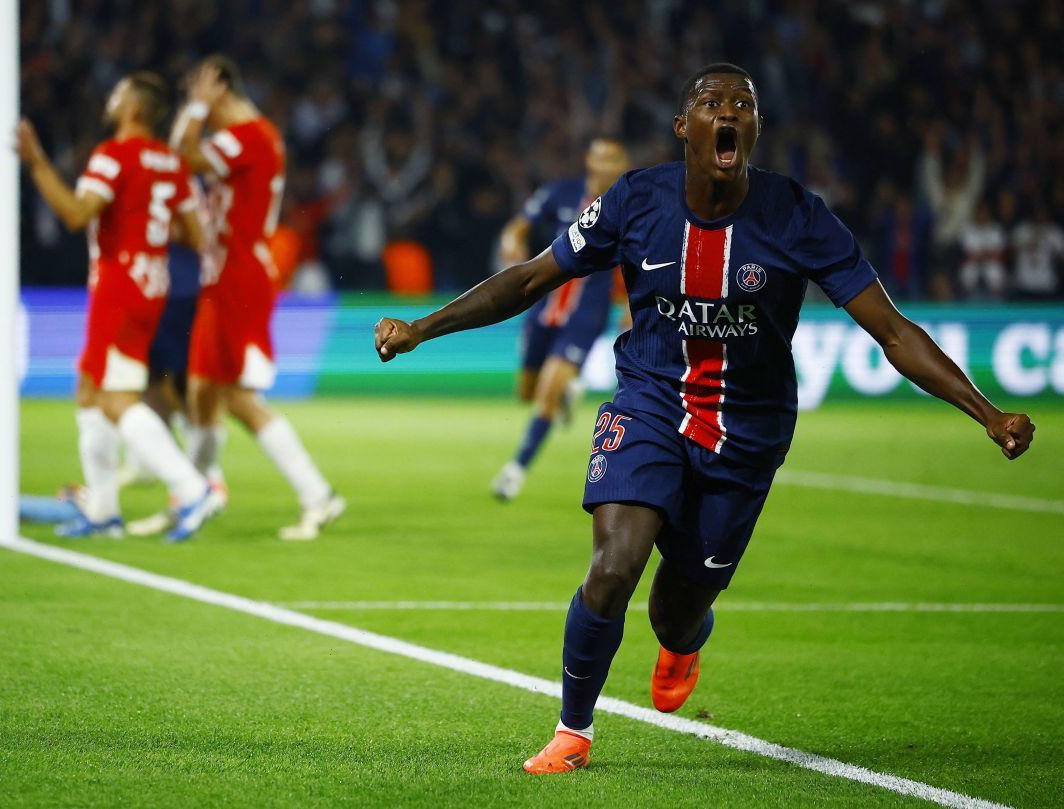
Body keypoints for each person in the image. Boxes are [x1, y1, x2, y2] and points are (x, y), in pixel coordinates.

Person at [373, 64, 1035, 774]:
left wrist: (987, 413)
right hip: (650, 400)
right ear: (685, 126)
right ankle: (573, 729)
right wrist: (422, 327)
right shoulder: (636, 200)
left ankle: (684, 639)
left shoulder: (797, 215)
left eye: (743, 105)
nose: (729, 112)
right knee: (613, 564)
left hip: (747, 432)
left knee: (673, 612)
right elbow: (533, 276)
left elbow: (894, 332)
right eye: (712, 103)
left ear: (752, 130)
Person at [18, 71, 222, 541]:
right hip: (151, 285)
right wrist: (147, 231)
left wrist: (37, 163)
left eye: (117, 93)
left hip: (118, 285)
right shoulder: (171, 164)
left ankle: (192, 489)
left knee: (115, 399)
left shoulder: (112, 156)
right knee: (90, 391)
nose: (109, 98)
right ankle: (103, 509)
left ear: (133, 109)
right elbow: (195, 235)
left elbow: (75, 214)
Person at [170, 56, 344, 541]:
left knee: (238, 397)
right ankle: (192, 492)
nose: (193, 104)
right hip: (221, 275)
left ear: (221, 88)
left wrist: (195, 112)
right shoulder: (250, 138)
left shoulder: (249, 135)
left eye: (198, 93)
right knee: (201, 389)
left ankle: (317, 494)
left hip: (240, 278)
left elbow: (184, 155)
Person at [491, 136, 630, 500]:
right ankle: (567, 391)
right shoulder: (561, 193)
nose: (606, 166)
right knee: (527, 391)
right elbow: (520, 224)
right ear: (589, 161)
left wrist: (631, 306)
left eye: (614, 159)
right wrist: (512, 240)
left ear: (622, 166)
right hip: (544, 307)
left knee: (547, 394)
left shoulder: (629, 208)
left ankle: (515, 469)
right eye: (601, 158)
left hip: (588, 313)